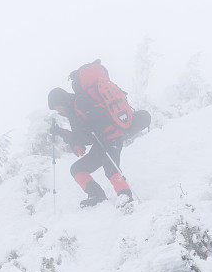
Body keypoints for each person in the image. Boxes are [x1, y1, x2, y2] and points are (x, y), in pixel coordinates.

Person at [48, 61, 150, 208]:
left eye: (58, 107)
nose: (59, 111)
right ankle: (97, 195)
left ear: (61, 101)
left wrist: (77, 137)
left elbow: (91, 127)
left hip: (111, 136)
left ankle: (125, 196)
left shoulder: (79, 103)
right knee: (77, 169)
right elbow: (84, 137)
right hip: (102, 140)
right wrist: (64, 134)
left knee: (110, 167)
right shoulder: (74, 109)